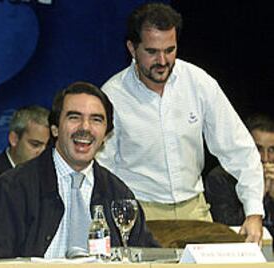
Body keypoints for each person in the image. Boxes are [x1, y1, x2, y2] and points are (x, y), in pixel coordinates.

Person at [96, 2, 263, 243]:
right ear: (132, 48)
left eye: (170, 50)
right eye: (152, 51)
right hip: (139, 212)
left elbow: (238, 148)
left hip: (194, 209)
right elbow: (102, 168)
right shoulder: (113, 95)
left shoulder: (199, 83)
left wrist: (254, 211)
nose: (163, 60)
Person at [0, 81, 158, 259]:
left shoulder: (118, 194)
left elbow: (147, 256)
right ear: (55, 129)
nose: (85, 128)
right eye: (74, 117)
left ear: (106, 135)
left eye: (96, 120)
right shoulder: (12, 188)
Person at [205, 114, 274, 236]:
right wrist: (258, 195)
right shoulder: (220, 178)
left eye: (272, 150)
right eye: (258, 149)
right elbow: (229, 229)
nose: (265, 158)